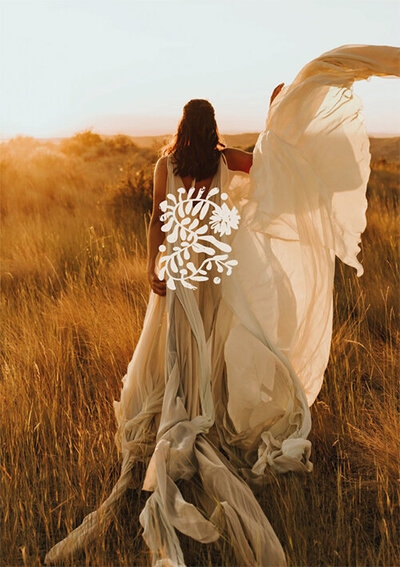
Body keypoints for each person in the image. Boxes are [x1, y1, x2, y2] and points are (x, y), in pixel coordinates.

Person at [44, 44, 399, 567]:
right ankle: (195, 413)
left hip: (181, 272)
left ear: (181, 128)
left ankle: (182, 411)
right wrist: (277, 113)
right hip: (211, 272)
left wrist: (151, 268)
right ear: (209, 129)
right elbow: (268, 164)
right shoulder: (222, 159)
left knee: (178, 350)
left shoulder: (166, 164)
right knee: (207, 346)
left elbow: (156, 224)